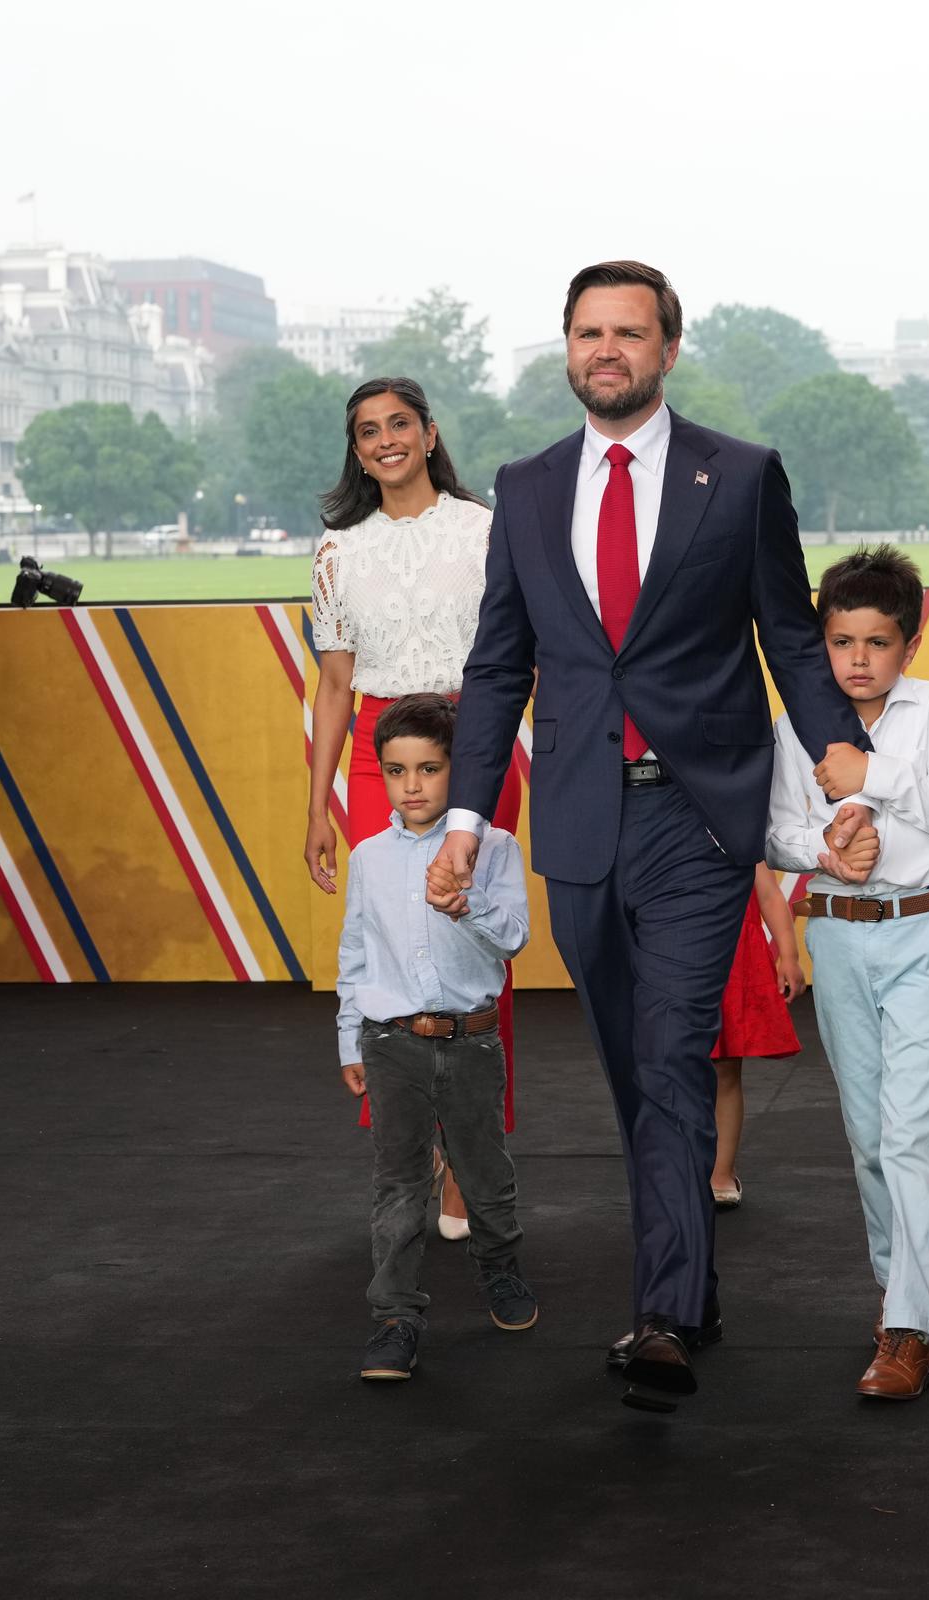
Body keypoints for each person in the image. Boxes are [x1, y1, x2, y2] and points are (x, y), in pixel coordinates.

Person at [433, 260, 878, 1410]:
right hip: (580, 819)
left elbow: (788, 633)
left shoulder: (740, 476)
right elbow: (495, 665)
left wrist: (836, 755)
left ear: (668, 349)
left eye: (630, 332)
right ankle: (694, 1279)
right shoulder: (523, 488)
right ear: (568, 349)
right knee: (639, 1065)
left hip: (697, 811)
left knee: (676, 1047)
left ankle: (665, 1313)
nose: (608, 351)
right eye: (589, 333)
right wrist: (470, 820)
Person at [304, 376, 518, 1242]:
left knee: (469, 939)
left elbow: (517, 655)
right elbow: (332, 686)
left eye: (400, 425)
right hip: (372, 753)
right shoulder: (334, 549)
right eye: (367, 431)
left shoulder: (485, 532)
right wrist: (315, 804)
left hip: (474, 742)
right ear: (356, 451)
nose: (386, 440)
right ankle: (413, 1152)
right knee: (393, 945)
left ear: (430, 435)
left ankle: (470, 1156)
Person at [769, 545, 929, 1400]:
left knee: (909, 1135)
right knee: (867, 1141)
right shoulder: (794, 723)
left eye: (878, 643)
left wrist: (871, 778)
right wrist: (822, 848)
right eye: (842, 641)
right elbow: (775, 830)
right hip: (840, 937)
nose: (858, 660)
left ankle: (907, 1331)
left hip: (922, 933)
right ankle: (897, 1295)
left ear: (910, 645)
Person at [340, 695, 538, 1382]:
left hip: (472, 1040)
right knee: (397, 1182)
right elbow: (355, 954)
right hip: (391, 1042)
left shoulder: (496, 848)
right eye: (396, 772)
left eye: (428, 769)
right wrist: (348, 1041)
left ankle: (499, 1267)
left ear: (460, 771)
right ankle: (394, 1316)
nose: (412, 786)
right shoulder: (368, 857)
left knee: (485, 1172)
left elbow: (514, 938)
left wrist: (467, 902)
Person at [711, 863, 806, 1209]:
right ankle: (679, 1166)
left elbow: (768, 894)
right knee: (675, 1070)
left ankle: (721, 1171)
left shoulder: (737, 831)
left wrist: (789, 955)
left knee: (725, 1069)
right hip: (681, 951)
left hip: (734, 956)